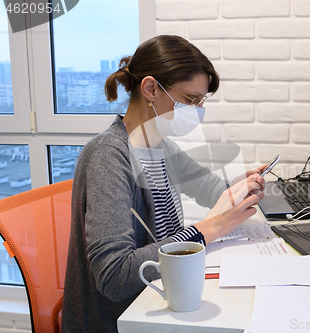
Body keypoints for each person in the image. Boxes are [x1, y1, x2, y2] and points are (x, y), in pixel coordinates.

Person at [61, 35, 266, 332]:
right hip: (122, 318)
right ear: (151, 89)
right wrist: (206, 230)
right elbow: (115, 277)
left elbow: (208, 188)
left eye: (201, 101)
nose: (197, 110)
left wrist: (239, 184)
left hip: (161, 298)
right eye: (191, 99)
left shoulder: (158, 146)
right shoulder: (110, 155)